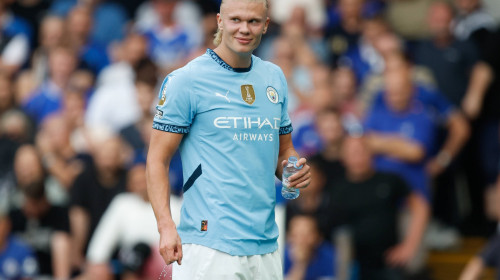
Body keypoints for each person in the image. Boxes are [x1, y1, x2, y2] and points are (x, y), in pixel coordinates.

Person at [146, 0, 311, 279]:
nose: (244, 29)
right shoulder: (186, 80)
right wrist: (165, 226)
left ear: (266, 25)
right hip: (209, 246)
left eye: (253, 22)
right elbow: (157, 159)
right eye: (236, 20)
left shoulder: (274, 77)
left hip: (266, 245)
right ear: (220, 22)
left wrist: (293, 171)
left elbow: (284, 152)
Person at [328, 136, 428, 280]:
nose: (358, 157)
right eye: (353, 152)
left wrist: (409, 245)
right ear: (343, 157)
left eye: (362, 151)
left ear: (371, 153)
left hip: (390, 263)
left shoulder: (390, 180)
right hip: (354, 267)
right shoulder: (337, 189)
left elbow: (420, 206)